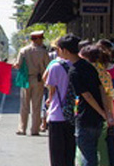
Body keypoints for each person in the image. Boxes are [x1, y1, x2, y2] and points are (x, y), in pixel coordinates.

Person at [60, 34, 114, 166]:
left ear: (66, 51)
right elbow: (101, 89)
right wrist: (105, 113)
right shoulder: (89, 66)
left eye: (60, 50)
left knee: (87, 155)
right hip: (98, 120)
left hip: (85, 118)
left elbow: (87, 96)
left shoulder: (74, 71)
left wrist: (102, 112)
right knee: (95, 153)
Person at [14, 30, 51, 135]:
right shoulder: (43, 52)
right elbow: (49, 67)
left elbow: (18, 65)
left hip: (25, 80)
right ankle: (34, 130)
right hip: (38, 80)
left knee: (24, 105)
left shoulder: (23, 51)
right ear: (38, 39)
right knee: (36, 106)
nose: (42, 41)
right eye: (41, 39)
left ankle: (22, 129)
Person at [45, 37, 75, 166]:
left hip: (57, 115)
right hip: (73, 115)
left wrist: (50, 100)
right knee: (70, 155)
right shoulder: (79, 66)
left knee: (57, 156)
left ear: (63, 50)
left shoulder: (56, 66)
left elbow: (52, 89)